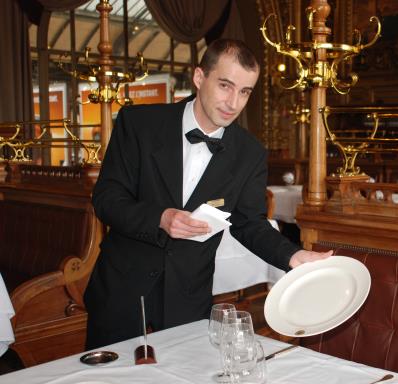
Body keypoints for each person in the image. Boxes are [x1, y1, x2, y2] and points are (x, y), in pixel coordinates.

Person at [84, 39, 331, 349]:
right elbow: (106, 198)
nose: (233, 103)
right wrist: (160, 218)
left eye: (244, 92)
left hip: (187, 302)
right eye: (225, 86)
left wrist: (294, 255)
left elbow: (250, 223)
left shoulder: (250, 153)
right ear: (200, 78)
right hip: (122, 293)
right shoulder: (140, 125)